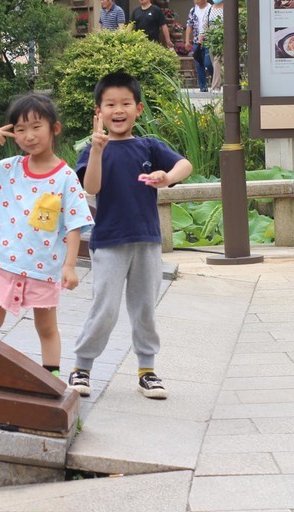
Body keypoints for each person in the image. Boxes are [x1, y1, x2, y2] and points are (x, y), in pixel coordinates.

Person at [69, 72, 192, 399]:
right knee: (105, 308)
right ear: (99, 112)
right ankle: (81, 367)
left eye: (125, 103)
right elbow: (90, 188)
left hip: (147, 241)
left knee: (144, 308)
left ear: (138, 109)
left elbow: (185, 165)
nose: (118, 110)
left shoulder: (148, 145)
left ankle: (147, 370)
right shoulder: (92, 150)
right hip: (109, 241)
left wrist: (166, 177)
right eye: (110, 104)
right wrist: (96, 150)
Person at [0, 92, 94, 376]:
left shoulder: (65, 177)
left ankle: (52, 378)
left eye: (36, 127)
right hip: (4, 263)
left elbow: (75, 223)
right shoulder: (8, 168)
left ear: (54, 129)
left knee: (46, 326)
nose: (29, 135)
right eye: (20, 129)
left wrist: (70, 266)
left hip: (44, 268)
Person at [184, 0, 214, 92]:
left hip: (209, 41)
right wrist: (187, 41)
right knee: (198, 64)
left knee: (208, 63)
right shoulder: (193, 10)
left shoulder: (211, 9)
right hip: (197, 41)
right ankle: (203, 87)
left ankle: (215, 80)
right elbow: (189, 25)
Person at [208, 0, 224, 91]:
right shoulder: (210, 9)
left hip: (222, 37)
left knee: (218, 61)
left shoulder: (226, 8)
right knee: (214, 61)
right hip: (211, 38)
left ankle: (215, 86)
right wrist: (202, 35)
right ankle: (218, 83)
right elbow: (205, 23)